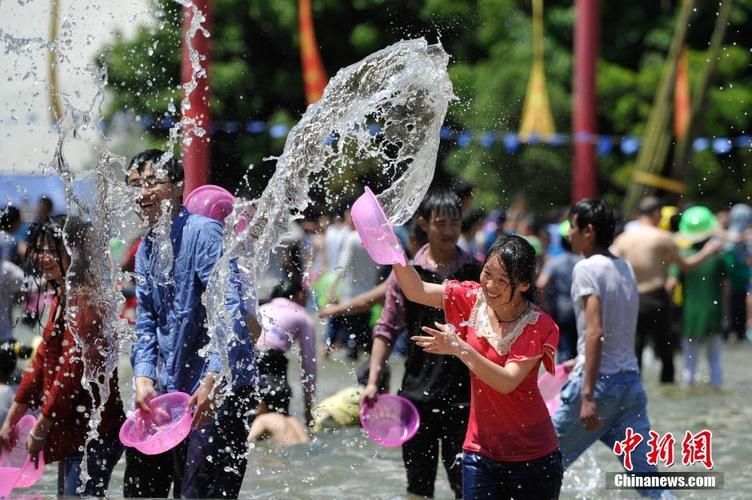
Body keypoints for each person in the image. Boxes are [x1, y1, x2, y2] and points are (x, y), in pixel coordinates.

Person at [123, 149, 255, 499]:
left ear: (179, 186)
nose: (142, 193)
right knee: (139, 488)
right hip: (175, 394)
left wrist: (213, 379)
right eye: (135, 185)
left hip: (221, 390)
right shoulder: (145, 249)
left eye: (153, 182)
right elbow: (147, 322)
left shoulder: (204, 233)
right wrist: (142, 378)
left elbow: (228, 310)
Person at [396, 234, 562, 499]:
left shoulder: (537, 324)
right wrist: (393, 251)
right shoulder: (472, 298)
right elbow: (417, 290)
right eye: (487, 273)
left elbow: (507, 381)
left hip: (534, 457)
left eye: (502, 280)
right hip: (479, 452)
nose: (490, 285)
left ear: (523, 284)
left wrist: (459, 348)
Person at [362, 188, 480, 498]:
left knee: (466, 486)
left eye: (454, 223)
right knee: (418, 487)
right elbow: (386, 329)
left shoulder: (477, 272)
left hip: (465, 398)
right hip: (416, 397)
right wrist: (374, 380)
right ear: (424, 224)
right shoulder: (406, 273)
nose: (449, 231)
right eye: (441, 223)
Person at [0, 215, 125, 496]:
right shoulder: (62, 296)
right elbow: (41, 362)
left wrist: (41, 427)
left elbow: (71, 373)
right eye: (40, 250)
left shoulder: (87, 299)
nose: (43, 258)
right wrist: (12, 418)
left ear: (75, 250)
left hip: (95, 433)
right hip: (73, 432)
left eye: (52, 250)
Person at [552, 199, 665, 497]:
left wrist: (587, 395)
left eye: (572, 227)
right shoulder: (624, 267)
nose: (569, 234)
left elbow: (596, 331)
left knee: (540, 465)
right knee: (649, 482)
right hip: (630, 386)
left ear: (588, 231)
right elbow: (617, 330)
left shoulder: (586, 268)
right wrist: (579, 359)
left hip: (597, 388)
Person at [611, 196, 721, 383]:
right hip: (657, 297)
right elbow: (685, 265)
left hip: (633, 297)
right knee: (665, 348)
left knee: (635, 347)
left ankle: (633, 388)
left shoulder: (623, 239)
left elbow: (609, 266)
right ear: (655, 214)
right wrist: (706, 253)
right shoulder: (662, 237)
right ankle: (668, 385)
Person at [671, 207, 727, 388]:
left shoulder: (682, 258)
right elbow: (726, 287)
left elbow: (670, 284)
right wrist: (724, 311)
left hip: (690, 315)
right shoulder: (719, 258)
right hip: (714, 313)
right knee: (715, 362)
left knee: (689, 366)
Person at [256, 280, 317, 425]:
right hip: (272, 360)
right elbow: (308, 365)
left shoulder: (262, 307)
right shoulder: (302, 315)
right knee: (279, 421)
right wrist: (309, 408)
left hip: (248, 357)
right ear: (300, 296)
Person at [537, 220, 580, 362]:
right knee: (580, 351)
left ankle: (563, 382)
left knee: (565, 351)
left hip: (562, 310)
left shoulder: (555, 261)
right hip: (581, 310)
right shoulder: (583, 261)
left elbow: (541, 284)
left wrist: (545, 304)